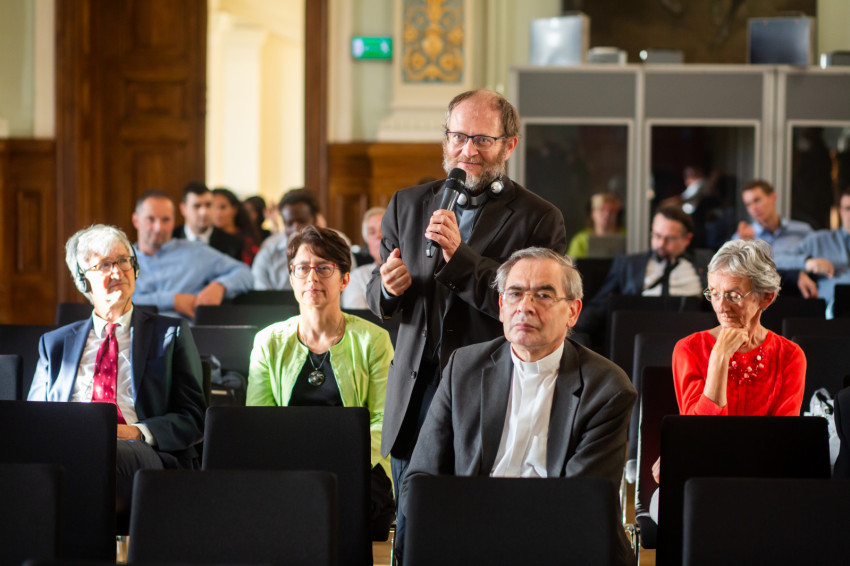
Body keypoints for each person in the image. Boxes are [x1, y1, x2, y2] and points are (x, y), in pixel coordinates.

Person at [366, 89, 567, 562]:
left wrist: (460, 257)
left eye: (481, 139)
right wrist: (388, 289)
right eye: (458, 137)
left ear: (509, 144)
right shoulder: (407, 204)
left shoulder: (539, 219)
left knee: (478, 534)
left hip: (489, 393)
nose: (467, 150)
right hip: (415, 394)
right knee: (412, 532)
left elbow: (529, 310)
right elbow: (379, 297)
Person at [402, 247, 636, 566]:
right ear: (501, 306)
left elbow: (580, 506)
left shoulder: (606, 388)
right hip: (469, 538)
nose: (525, 306)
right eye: (515, 293)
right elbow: (419, 480)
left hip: (562, 550)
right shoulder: (463, 368)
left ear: (572, 311)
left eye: (543, 295)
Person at [28, 224, 207, 517]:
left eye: (124, 260)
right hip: (66, 445)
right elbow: (33, 419)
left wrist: (136, 432)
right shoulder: (55, 344)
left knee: (97, 449)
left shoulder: (169, 334)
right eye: (104, 265)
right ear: (83, 281)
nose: (118, 272)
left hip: (141, 453)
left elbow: (194, 418)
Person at [246, 225, 394, 538]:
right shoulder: (267, 341)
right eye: (302, 268)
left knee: (338, 504)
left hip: (358, 467)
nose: (311, 278)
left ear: (344, 279)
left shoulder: (374, 340)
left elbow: (385, 421)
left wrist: (338, 457)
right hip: (287, 466)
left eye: (323, 268)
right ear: (291, 278)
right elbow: (258, 421)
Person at [673, 239, 806, 417]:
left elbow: (783, 432)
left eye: (734, 296)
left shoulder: (789, 356)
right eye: (714, 294)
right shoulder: (690, 349)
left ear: (766, 297)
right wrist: (719, 357)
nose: (721, 307)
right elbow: (697, 431)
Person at [576, 205, 713, 339]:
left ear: (687, 239)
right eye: (657, 235)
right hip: (638, 335)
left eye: (669, 238)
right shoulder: (629, 264)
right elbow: (600, 306)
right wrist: (573, 330)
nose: (661, 243)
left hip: (691, 334)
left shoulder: (705, 261)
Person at [132, 189, 253, 319]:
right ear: (136, 220)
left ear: (174, 221)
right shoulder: (122, 260)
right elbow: (118, 302)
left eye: (166, 220)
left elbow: (245, 273)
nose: (158, 228)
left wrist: (220, 286)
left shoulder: (196, 252)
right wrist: (173, 300)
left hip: (188, 329)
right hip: (135, 330)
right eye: (150, 219)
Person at [775, 188, 850, 317]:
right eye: (848, 208)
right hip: (834, 314)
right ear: (840, 211)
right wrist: (807, 262)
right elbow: (776, 260)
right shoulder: (820, 240)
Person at [252, 188, 321, 291]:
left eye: (302, 221)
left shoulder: (335, 244)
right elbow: (261, 292)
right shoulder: (268, 250)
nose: (296, 228)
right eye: (289, 223)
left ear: (315, 219)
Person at [733, 179, 812, 254]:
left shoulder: (803, 231)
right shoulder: (741, 239)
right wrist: (747, 246)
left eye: (757, 200)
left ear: (773, 197)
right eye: (748, 204)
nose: (753, 208)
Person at [172, 181, 244, 261]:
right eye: (197, 206)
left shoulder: (232, 244)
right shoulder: (170, 240)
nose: (204, 212)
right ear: (183, 209)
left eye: (208, 205)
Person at [343, 207, 385, 309]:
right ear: (367, 243)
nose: (378, 236)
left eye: (384, 230)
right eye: (372, 232)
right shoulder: (357, 277)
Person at [566, 192, 624, 259]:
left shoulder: (628, 237)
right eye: (601, 210)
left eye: (612, 211)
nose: (607, 215)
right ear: (592, 213)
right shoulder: (580, 240)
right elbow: (571, 263)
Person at [211, 187, 259, 265]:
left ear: (234, 209)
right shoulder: (207, 239)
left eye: (223, 207)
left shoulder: (247, 239)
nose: (218, 213)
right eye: (212, 207)